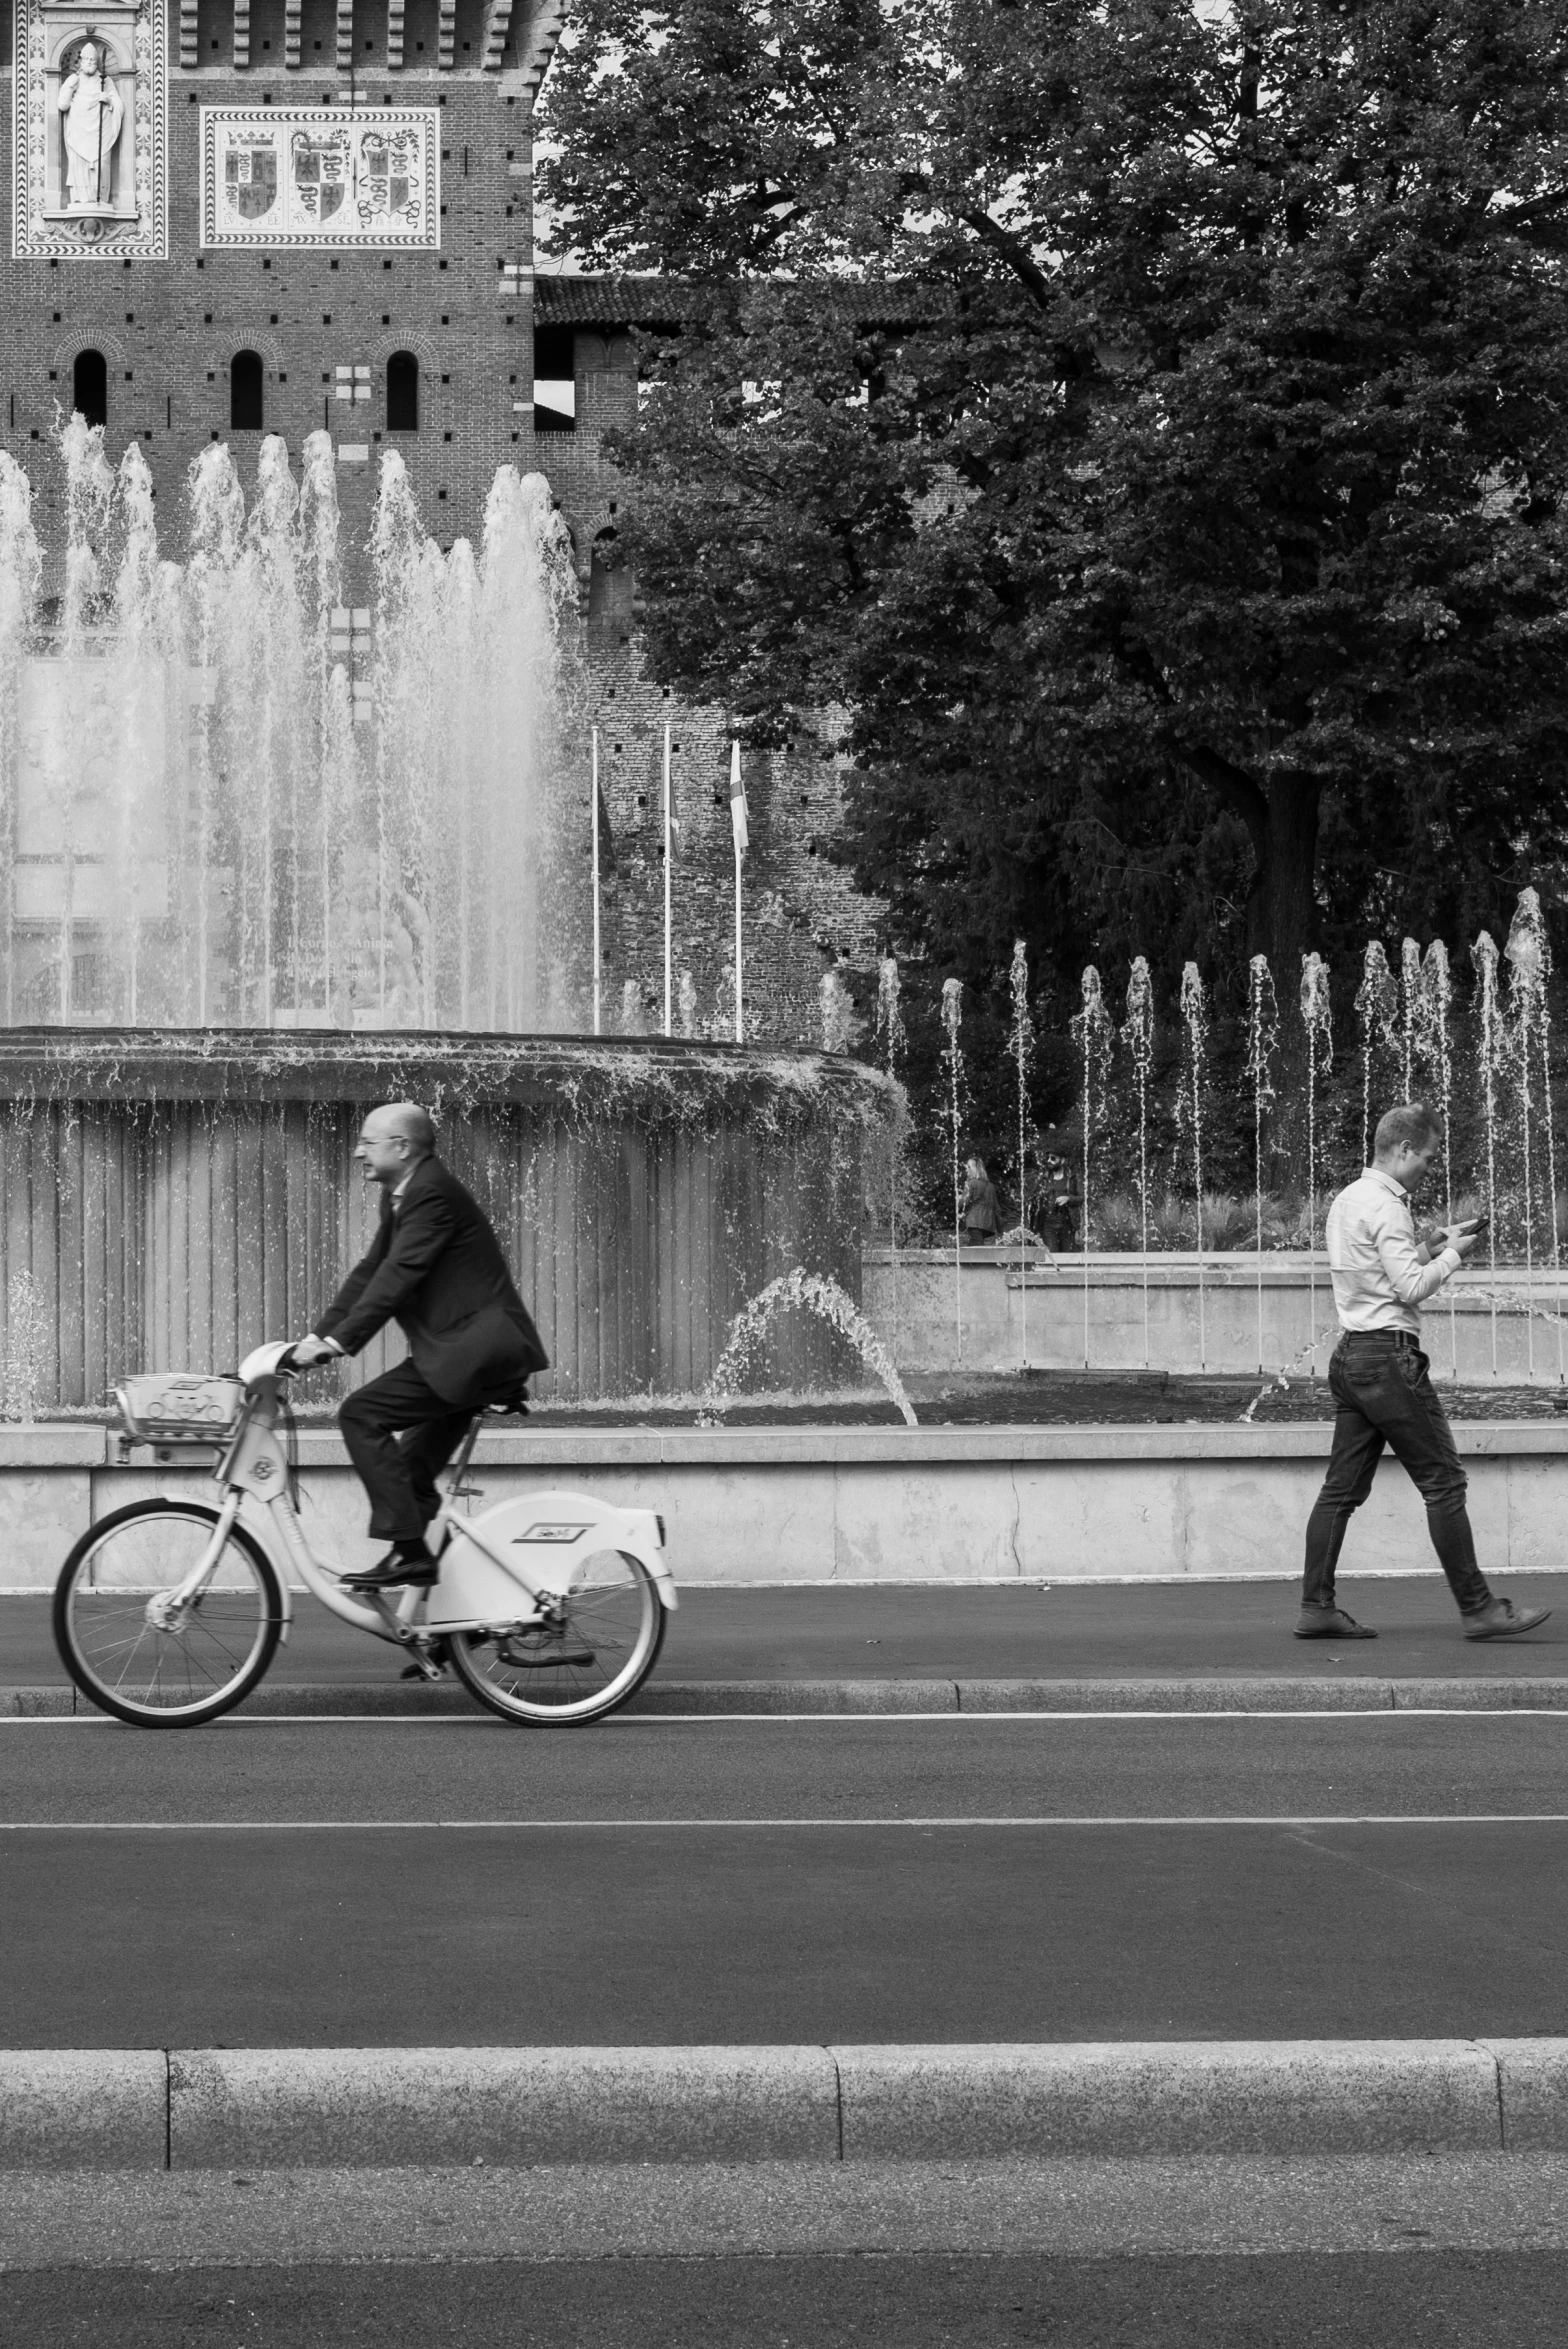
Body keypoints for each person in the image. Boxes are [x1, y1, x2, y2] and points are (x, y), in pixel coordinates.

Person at [1296, 1101, 1549, 1642]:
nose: (1429, 1167)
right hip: (1389, 1358)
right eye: (1428, 1158)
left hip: (1351, 1356)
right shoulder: (1388, 1204)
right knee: (1444, 1482)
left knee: (1339, 1491)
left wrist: (1428, 1246)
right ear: (1404, 1149)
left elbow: (1379, 1272)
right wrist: (1453, 1256)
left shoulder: (1348, 1198)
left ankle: (1316, 1608)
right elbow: (1410, 1288)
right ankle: (1479, 1609)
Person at [290, 1102, 547, 1591]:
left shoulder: (431, 1194)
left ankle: (412, 1555)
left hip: (474, 1355)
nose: (357, 1151)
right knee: (408, 1472)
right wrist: (317, 1337)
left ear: (402, 1147)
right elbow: (370, 1271)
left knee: (361, 1415)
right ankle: (452, 1614)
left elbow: (397, 1277)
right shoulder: (407, 1192)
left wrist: (339, 1345)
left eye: (368, 1142)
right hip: (461, 1357)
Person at [961, 1155, 1000, 1245]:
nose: (966, 1170)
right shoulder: (991, 1186)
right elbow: (997, 1209)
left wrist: (959, 1199)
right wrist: (1000, 1229)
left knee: (975, 1247)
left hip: (974, 1222)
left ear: (974, 1169)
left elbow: (964, 1202)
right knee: (977, 1245)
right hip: (988, 1224)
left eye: (969, 1167)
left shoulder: (970, 1183)